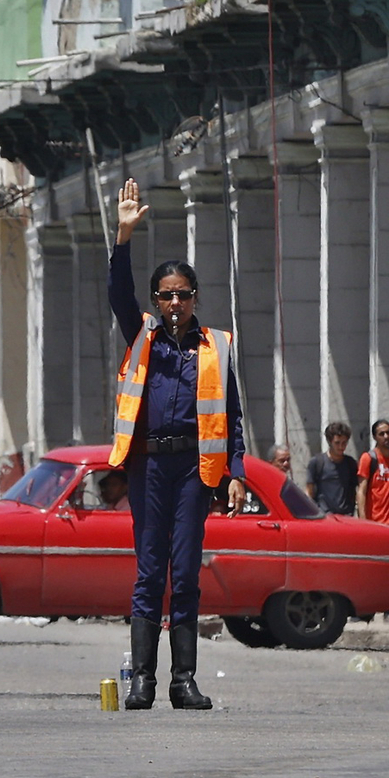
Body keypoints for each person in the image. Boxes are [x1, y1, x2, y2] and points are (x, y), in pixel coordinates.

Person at [108, 177, 246, 711]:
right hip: (148, 467)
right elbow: (118, 293)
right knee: (149, 571)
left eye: (183, 294)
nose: (174, 302)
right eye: (165, 294)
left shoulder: (218, 346)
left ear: (195, 298)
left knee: (185, 571)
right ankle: (142, 678)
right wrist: (123, 236)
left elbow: (231, 414)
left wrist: (235, 471)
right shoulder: (141, 336)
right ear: (155, 300)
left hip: (195, 470)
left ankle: (182, 680)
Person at [306, 421, 358, 515]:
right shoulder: (317, 462)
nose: (341, 447)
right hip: (325, 517)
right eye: (337, 443)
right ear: (330, 442)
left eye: (344, 443)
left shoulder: (350, 463)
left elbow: (356, 489)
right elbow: (309, 491)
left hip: (346, 516)